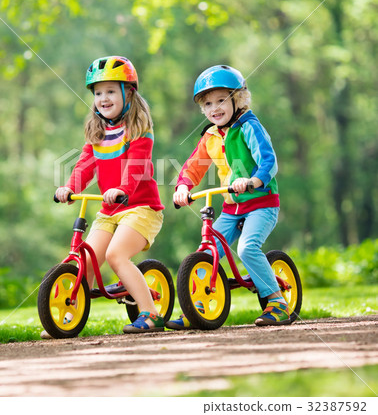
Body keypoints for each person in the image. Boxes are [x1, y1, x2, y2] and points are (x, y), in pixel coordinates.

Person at [44, 56, 165, 337]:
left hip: (141, 208)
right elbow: (85, 165)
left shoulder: (139, 131)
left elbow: (136, 166)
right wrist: (69, 187)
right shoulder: (98, 132)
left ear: (128, 92)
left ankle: (151, 314)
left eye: (111, 91)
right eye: (98, 93)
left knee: (116, 255)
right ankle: (66, 319)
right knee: (84, 261)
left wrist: (122, 190)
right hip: (109, 211)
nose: (103, 98)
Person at [167, 64, 289, 329]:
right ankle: (195, 308)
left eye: (221, 100)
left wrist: (254, 180)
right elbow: (194, 166)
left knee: (247, 248)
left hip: (261, 203)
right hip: (232, 208)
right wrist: (183, 187)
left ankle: (277, 302)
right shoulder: (210, 136)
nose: (215, 108)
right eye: (208, 103)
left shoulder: (249, 126)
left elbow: (268, 160)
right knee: (206, 252)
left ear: (238, 99)